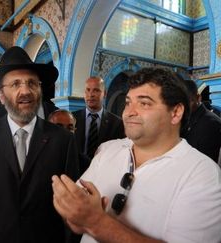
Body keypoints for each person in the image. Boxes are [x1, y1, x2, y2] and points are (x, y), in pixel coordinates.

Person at [52, 68, 221, 243]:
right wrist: (74, 213)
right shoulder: (107, 150)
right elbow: (77, 213)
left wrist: (96, 222)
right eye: (127, 102)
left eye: (144, 103)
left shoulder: (202, 175)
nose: (129, 112)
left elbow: (90, 219)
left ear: (176, 112)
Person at [0, 46, 79, 243]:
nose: (25, 91)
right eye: (16, 84)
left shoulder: (63, 141)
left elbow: (72, 210)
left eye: (32, 83)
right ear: (1, 95)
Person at [72, 76, 124, 174]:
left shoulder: (117, 123)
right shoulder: (72, 119)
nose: (91, 94)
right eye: (87, 90)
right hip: (75, 174)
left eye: (96, 90)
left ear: (104, 93)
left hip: (103, 175)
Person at [180, 79, 221, 162]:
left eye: (188, 102)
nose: (184, 107)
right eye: (180, 102)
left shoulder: (211, 124)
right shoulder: (182, 118)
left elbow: (207, 161)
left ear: (198, 98)